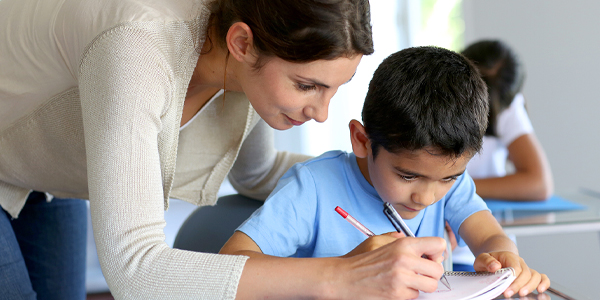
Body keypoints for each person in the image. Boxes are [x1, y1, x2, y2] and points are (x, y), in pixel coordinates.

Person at [0, 0, 445, 299]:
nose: (321, 113)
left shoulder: (243, 65)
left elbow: (258, 172)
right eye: (307, 86)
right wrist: (340, 277)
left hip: (45, 171)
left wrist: (410, 181)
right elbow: (134, 270)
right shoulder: (136, 51)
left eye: (333, 90)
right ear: (242, 43)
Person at [220, 46, 551, 299]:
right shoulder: (313, 187)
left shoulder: (451, 186)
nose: (427, 196)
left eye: (448, 178)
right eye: (407, 176)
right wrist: (347, 269)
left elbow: (489, 236)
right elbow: (228, 265)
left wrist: (504, 258)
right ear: (362, 140)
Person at [450, 39, 555, 272]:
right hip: (444, 249)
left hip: (485, 248)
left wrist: (454, 188)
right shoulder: (442, 101)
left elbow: (539, 184)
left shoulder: (509, 106)